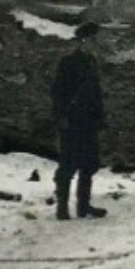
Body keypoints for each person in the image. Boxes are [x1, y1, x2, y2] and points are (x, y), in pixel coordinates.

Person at [51, 21, 107, 220]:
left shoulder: (92, 62)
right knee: (68, 164)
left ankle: (83, 206)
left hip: (88, 122)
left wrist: (100, 116)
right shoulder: (68, 63)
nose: (95, 44)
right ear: (82, 41)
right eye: (92, 40)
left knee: (89, 164)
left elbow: (95, 93)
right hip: (72, 121)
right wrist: (61, 118)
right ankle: (62, 207)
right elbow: (58, 93)